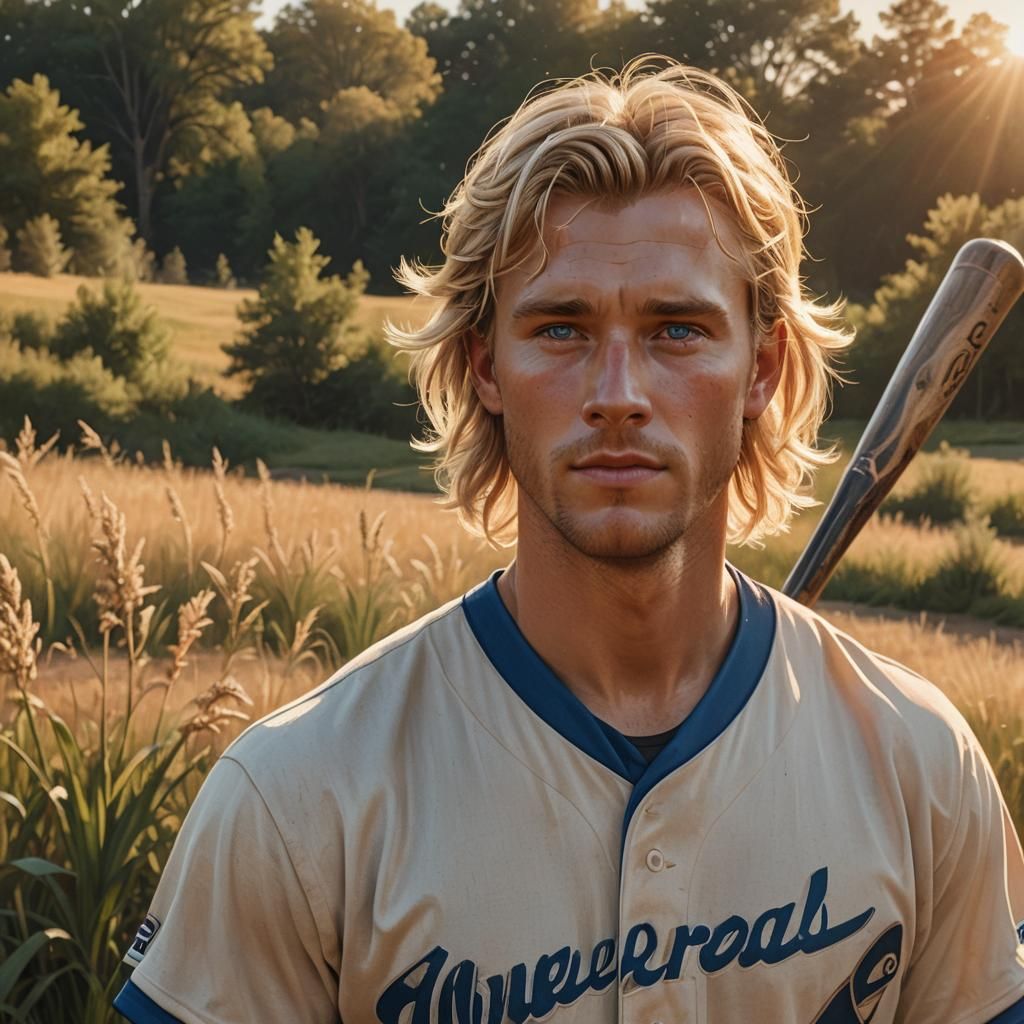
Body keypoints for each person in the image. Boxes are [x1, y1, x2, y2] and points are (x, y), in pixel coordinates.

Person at [112, 55, 1024, 1024]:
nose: (618, 394)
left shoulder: (920, 764)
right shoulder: (299, 794)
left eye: (676, 329)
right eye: (560, 327)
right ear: (486, 366)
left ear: (759, 367)